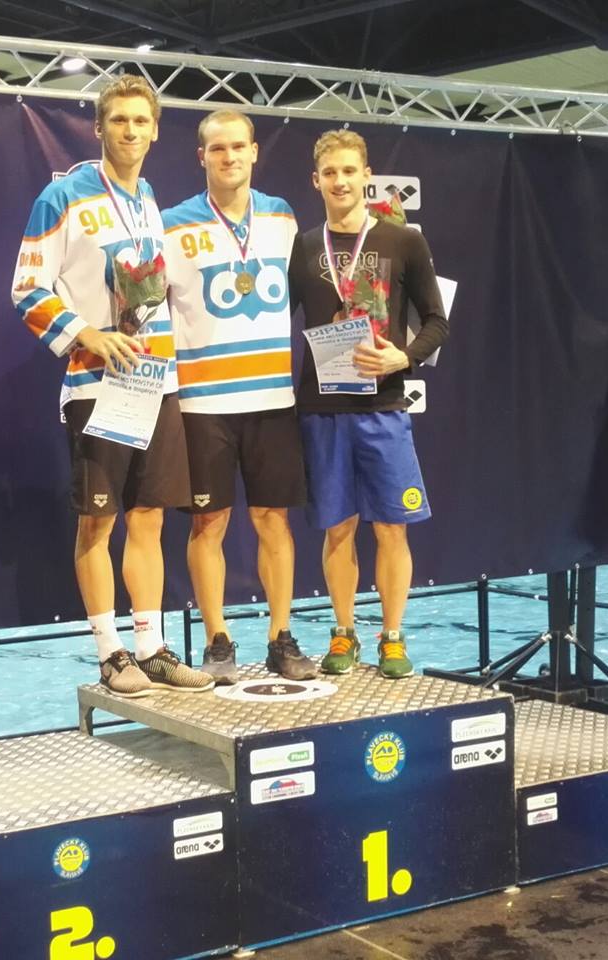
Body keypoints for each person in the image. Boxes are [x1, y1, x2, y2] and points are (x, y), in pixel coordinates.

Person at [11, 75, 213, 698]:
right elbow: (26, 289)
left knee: (149, 518)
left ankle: (150, 649)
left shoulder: (148, 198)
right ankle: (109, 653)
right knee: (98, 523)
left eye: (140, 121)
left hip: (154, 381)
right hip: (95, 384)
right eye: (119, 120)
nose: (130, 131)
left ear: (155, 131)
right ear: (99, 127)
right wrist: (86, 335)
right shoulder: (63, 196)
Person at [162, 110, 315, 683]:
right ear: (201, 156)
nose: (229, 157)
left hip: (272, 398)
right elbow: (150, 304)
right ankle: (217, 641)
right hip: (203, 402)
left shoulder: (281, 215)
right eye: (217, 148)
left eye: (238, 147)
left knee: (275, 520)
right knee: (209, 524)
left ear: (255, 152)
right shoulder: (172, 224)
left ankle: (281, 637)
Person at [289, 129, 448, 679]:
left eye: (349, 171)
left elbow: (437, 321)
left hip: (383, 408)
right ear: (316, 180)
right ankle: (344, 632)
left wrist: (403, 357)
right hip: (322, 410)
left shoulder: (403, 241)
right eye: (330, 173)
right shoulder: (303, 247)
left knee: (391, 528)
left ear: (366, 176)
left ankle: (393, 637)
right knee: (337, 528)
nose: (340, 181)